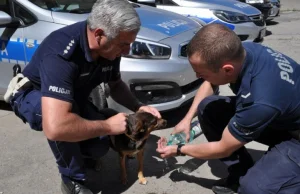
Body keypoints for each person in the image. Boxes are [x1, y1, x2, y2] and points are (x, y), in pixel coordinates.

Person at [5, 0, 161, 193]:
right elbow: (56, 127)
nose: (127, 51)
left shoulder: (111, 47)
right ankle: (72, 179)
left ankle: (82, 146)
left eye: (129, 44)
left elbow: (116, 85)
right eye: (123, 44)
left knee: (99, 146)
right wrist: (107, 126)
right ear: (99, 35)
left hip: (74, 99)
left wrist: (138, 107)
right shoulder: (62, 52)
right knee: (61, 122)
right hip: (32, 96)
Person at [156, 23, 300, 194]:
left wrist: (179, 150)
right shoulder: (243, 51)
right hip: (281, 115)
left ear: (227, 69)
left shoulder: (259, 101)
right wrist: (187, 120)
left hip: (295, 136)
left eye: (201, 73)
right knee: (208, 108)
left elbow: (223, 148)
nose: (198, 77)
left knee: (254, 189)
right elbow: (210, 81)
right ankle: (240, 173)